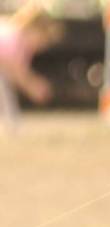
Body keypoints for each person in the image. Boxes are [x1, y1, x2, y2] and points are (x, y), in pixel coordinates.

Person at [0, 4, 62, 133]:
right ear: (32, 28)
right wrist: (32, 86)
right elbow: (15, 70)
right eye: (43, 39)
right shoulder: (13, 38)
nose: (42, 45)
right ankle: (13, 124)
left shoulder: (15, 37)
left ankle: (13, 124)